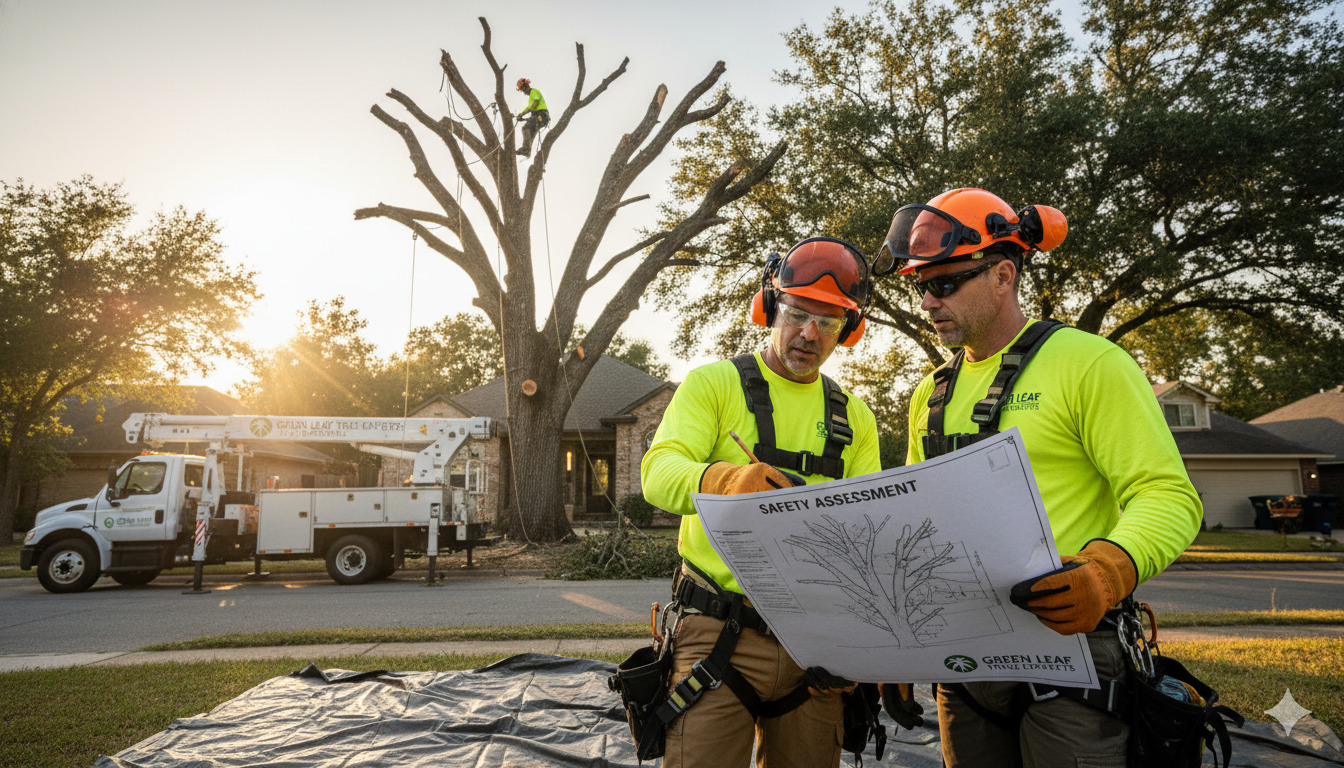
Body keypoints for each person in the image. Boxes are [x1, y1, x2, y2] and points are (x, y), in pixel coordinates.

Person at [871, 187, 1203, 767]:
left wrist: (1108, 570)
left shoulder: (1088, 363)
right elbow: (914, 524)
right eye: (921, 285)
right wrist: (899, 648)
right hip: (963, 653)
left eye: (945, 283)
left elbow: (1167, 494)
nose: (928, 301)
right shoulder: (931, 392)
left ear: (1003, 276)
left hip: (1071, 647)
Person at [641, 237, 884, 768]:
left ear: (849, 331)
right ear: (770, 307)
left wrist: (866, 646)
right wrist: (726, 480)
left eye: (829, 322)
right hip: (715, 634)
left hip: (817, 641)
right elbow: (656, 475)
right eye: (797, 314)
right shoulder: (714, 385)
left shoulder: (855, 418)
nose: (809, 334)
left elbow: (869, 535)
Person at [514, 77, 548, 157]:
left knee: (525, 128)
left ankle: (526, 149)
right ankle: (527, 151)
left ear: (525, 86)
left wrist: (522, 114)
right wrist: (522, 117)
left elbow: (535, 103)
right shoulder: (531, 96)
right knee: (530, 132)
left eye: (522, 89)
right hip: (541, 116)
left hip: (541, 115)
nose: (523, 92)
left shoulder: (534, 91)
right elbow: (532, 108)